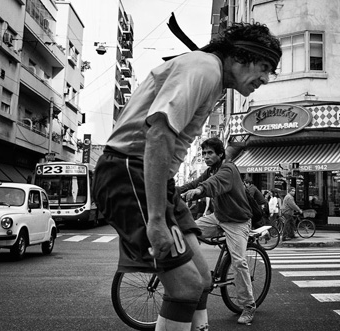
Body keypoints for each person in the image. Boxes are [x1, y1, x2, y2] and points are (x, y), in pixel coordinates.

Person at [92, 20, 282, 330]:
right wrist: (155, 220)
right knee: (185, 287)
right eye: (263, 65)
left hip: (153, 178)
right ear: (238, 56)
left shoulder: (211, 76)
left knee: (203, 281)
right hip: (129, 172)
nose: (265, 77)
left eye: (270, 70)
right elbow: (158, 135)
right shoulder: (204, 67)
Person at [179, 137, 257, 325]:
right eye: (204, 153)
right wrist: (169, 191)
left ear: (220, 154)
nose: (206, 156)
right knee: (189, 231)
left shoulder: (228, 169)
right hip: (219, 218)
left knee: (238, 262)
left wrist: (199, 192)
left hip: (238, 221)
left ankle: (248, 306)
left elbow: (212, 184)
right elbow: (193, 183)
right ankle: (196, 275)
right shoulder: (210, 170)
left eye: (210, 153)